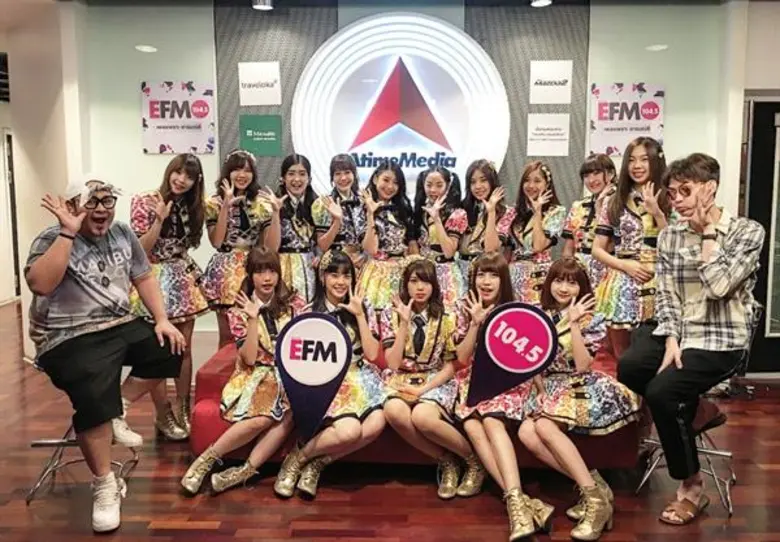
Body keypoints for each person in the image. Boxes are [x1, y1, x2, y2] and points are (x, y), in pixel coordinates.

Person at [26, 177, 185, 533]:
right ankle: (104, 484)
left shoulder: (123, 233)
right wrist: (68, 233)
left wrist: (162, 319)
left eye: (107, 201)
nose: (101, 209)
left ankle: (118, 410)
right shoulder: (51, 238)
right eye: (91, 202)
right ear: (72, 206)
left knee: (169, 348)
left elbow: (144, 277)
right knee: (93, 390)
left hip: (117, 322)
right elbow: (41, 284)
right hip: (66, 335)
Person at [618, 153, 764, 526]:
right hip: (681, 329)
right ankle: (692, 411)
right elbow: (666, 294)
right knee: (631, 366)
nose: (677, 200)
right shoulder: (670, 234)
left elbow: (719, 286)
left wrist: (709, 235)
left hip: (722, 337)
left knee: (662, 392)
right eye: (672, 193)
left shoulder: (747, 232)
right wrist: (671, 338)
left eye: (686, 191)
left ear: (710, 188)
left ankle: (692, 486)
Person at [519, 258, 641, 541]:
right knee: (526, 432)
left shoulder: (591, 318)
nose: (564, 288)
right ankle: (596, 488)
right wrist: (540, 391)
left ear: (582, 287)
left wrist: (573, 323)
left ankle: (595, 503)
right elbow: (531, 361)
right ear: (549, 283)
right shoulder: (537, 314)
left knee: (544, 426)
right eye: (559, 280)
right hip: (547, 385)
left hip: (577, 383)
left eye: (572, 282)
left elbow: (584, 365)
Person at [181, 248, 305, 495]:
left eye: (272, 271)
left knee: (290, 412)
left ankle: (242, 472)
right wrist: (252, 319)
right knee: (265, 416)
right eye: (260, 272)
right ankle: (205, 461)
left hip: (288, 373)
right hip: (256, 373)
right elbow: (249, 358)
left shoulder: (294, 304)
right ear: (250, 275)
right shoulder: (238, 310)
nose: (267, 278)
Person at [453, 252, 553, 540]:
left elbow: (531, 357)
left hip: (509, 382)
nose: (486, 282)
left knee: (491, 421)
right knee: (473, 426)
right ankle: (523, 504)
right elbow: (462, 358)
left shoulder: (516, 310)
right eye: (481, 275)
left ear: (503, 280)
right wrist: (475, 323)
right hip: (474, 381)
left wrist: (540, 387)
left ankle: (515, 506)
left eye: (493, 275)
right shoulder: (464, 307)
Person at [273, 250, 386, 499]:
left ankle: (316, 463)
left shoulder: (362, 306)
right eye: (334, 275)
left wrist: (359, 315)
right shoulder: (309, 313)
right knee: (349, 432)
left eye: (346, 275)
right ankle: (297, 457)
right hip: (329, 380)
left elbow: (371, 353)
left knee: (377, 423)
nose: (340, 281)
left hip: (360, 377)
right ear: (322, 278)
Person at [381, 259, 486, 500]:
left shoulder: (447, 316)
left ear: (435, 286)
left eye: (426, 282)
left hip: (435, 378)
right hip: (401, 377)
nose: (420, 288)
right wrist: (404, 323)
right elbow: (393, 363)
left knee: (423, 417)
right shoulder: (391, 313)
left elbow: (455, 362)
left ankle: (473, 461)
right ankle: (447, 460)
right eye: (414, 281)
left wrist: (425, 389)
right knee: (394, 411)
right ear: (405, 284)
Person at [128, 153, 209, 440]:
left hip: (181, 277)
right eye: (178, 172)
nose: (182, 180)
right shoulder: (145, 200)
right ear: (169, 171)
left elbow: (189, 244)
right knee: (159, 350)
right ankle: (163, 414)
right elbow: (141, 250)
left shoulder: (193, 206)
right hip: (152, 278)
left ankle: (183, 407)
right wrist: (159, 220)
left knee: (184, 349)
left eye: (189, 176)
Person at [592, 137, 670, 359]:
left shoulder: (671, 196)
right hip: (622, 282)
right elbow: (597, 249)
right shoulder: (614, 200)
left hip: (659, 280)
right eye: (632, 160)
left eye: (644, 159)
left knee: (656, 353)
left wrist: (658, 214)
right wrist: (625, 265)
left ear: (656, 161)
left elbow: (674, 244)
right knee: (622, 357)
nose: (637, 166)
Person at [202, 149, 271, 347]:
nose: (242, 175)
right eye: (237, 169)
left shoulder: (262, 203)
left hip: (253, 266)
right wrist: (226, 205)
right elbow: (217, 242)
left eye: (247, 170)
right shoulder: (213, 203)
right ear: (227, 172)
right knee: (227, 335)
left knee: (255, 329)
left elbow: (266, 245)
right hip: (225, 268)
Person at [358, 162, 417, 309]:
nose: (390, 186)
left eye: (396, 183)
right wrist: (371, 214)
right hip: (377, 273)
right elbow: (371, 249)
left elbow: (410, 243)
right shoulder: (361, 208)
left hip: (402, 271)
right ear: (375, 179)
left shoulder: (403, 209)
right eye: (386, 180)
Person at [507, 161, 566, 304]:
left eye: (537, 181)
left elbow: (538, 246)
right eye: (527, 180)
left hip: (538, 275)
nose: (531, 185)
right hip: (514, 275)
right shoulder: (514, 212)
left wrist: (538, 211)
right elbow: (508, 249)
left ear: (547, 184)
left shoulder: (556, 212)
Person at [262, 153, 319, 301]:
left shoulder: (317, 205)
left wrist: (319, 256)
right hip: (283, 267)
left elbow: (321, 242)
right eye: (291, 174)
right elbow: (270, 248)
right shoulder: (269, 204)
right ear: (283, 178)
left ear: (309, 178)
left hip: (311, 269)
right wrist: (276, 212)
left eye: (302, 174)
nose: (297, 179)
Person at [412, 166, 468, 310]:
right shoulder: (419, 211)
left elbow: (449, 252)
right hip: (423, 273)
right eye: (429, 185)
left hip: (445, 273)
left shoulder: (457, 213)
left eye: (439, 185)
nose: (433, 190)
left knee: (448, 315)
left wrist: (436, 219)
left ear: (448, 186)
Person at [561, 153, 617, 286]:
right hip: (577, 275)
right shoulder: (578, 206)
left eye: (596, 173)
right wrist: (567, 274)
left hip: (608, 273)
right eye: (586, 175)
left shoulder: (619, 205)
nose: (591, 180)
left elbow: (612, 245)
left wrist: (600, 207)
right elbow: (568, 249)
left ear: (610, 174)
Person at [456, 159, 514, 279]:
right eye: (473, 182)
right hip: (459, 271)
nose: (478, 186)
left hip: (486, 271)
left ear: (492, 182)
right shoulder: (461, 209)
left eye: (483, 180)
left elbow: (490, 249)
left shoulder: (506, 213)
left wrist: (491, 212)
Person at [311, 154, 368, 270]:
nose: (343, 178)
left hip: (361, 265)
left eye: (347, 172)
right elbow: (322, 245)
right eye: (338, 174)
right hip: (334, 264)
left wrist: (364, 256)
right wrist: (337, 221)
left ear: (354, 174)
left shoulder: (364, 201)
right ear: (332, 177)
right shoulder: (324, 203)